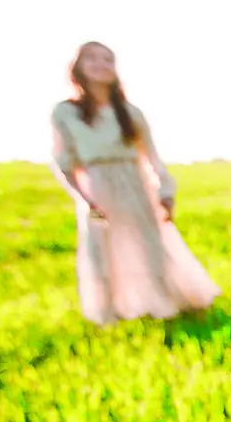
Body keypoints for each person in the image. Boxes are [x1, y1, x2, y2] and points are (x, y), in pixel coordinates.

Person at [49, 41, 220, 326]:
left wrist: (166, 191)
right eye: (91, 58)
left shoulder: (130, 113)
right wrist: (83, 197)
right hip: (97, 186)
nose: (100, 64)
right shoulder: (65, 112)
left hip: (135, 184)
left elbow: (152, 157)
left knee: (149, 246)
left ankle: (162, 304)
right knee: (101, 249)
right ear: (77, 67)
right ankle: (109, 312)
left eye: (107, 59)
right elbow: (63, 160)